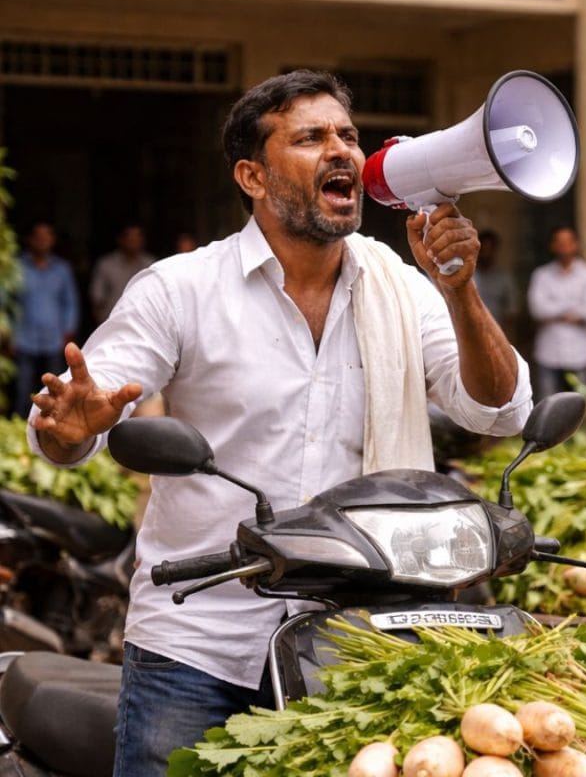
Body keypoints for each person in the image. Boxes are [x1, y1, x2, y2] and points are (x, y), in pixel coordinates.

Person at [27, 69, 532, 776]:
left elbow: (499, 408)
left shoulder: (401, 288)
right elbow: (68, 427)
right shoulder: (182, 289)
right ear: (253, 176)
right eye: (311, 137)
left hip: (363, 640)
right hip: (199, 644)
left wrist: (459, 292)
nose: (342, 151)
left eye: (348, 136)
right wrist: (75, 427)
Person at [10, 222, 79, 416]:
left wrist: (68, 330)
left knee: (55, 388)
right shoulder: (17, 267)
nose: (42, 241)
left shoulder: (62, 269)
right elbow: (8, 302)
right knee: (23, 388)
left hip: (54, 338)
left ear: (53, 240)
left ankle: (53, 427)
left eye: (47, 236)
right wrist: (9, 334)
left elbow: (70, 303)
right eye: (38, 236)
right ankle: (21, 426)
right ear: (30, 239)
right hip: (24, 338)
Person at [527, 225, 586, 399]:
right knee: (548, 406)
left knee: (579, 405)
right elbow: (537, 310)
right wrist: (572, 307)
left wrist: (553, 309)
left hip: (580, 353)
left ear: (576, 245)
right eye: (559, 243)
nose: (564, 247)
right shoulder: (542, 275)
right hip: (549, 352)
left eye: (568, 242)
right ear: (552, 246)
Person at [89, 222, 155, 324]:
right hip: (111, 324)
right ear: (120, 240)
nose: (134, 241)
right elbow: (97, 299)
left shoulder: (151, 265)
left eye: (137, 238)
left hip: (144, 326)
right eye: (130, 238)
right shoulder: (106, 265)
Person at [473, 229, 518, 334]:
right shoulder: (466, 277)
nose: (486, 254)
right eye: (483, 250)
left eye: (489, 250)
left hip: (496, 333)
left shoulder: (504, 278)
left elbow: (511, 311)